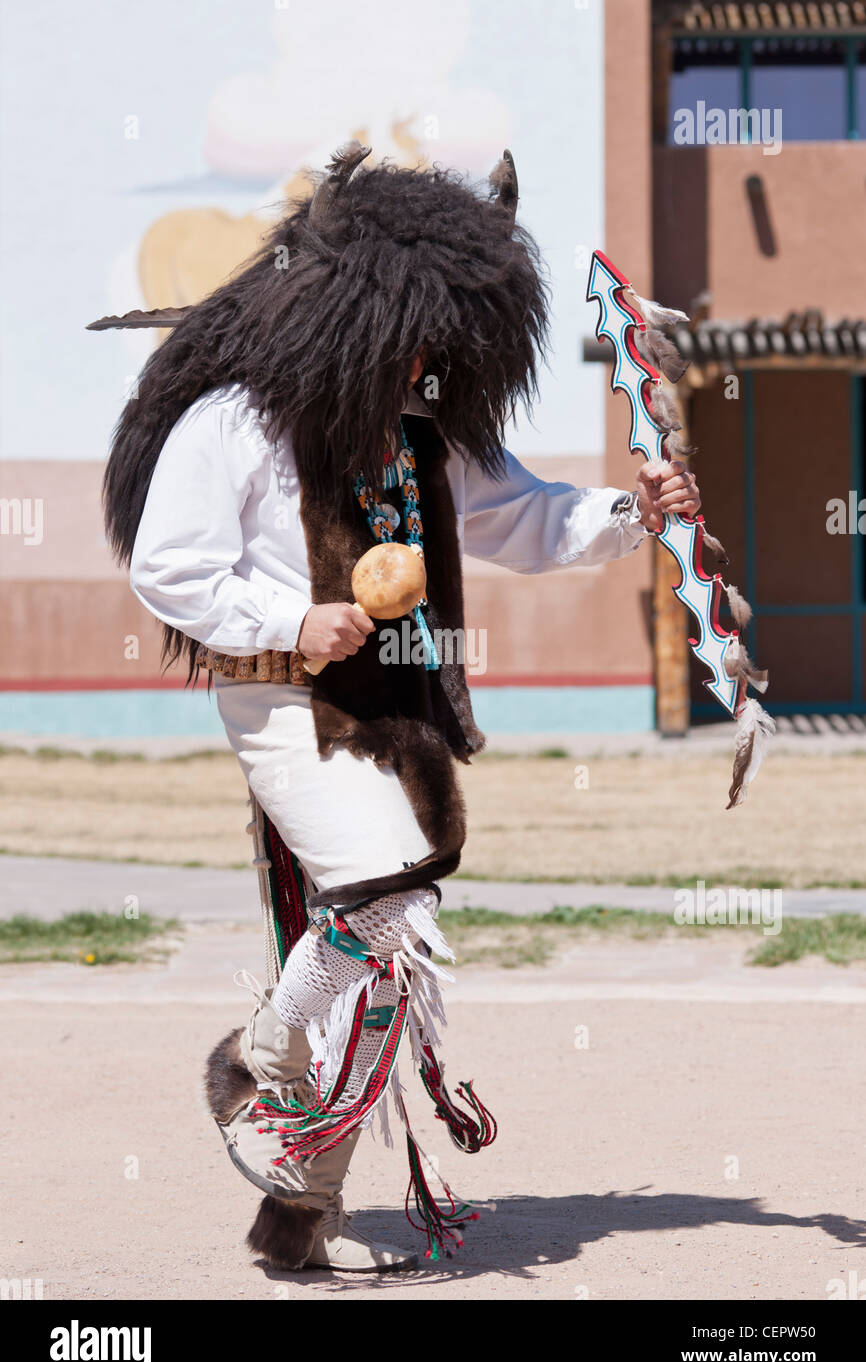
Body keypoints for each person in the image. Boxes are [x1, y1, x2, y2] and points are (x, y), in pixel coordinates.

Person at [101, 143, 701, 1274]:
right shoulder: (237, 417)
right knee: (385, 899)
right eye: (416, 333)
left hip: (397, 701)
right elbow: (170, 566)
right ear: (358, 311)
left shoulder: (424, 427)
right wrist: (292, 619)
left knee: (396, 945)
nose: (431, 359)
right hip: (282, 698)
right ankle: (255, 1060)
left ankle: (296, 1213)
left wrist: (635, 508)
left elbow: (524, 518)